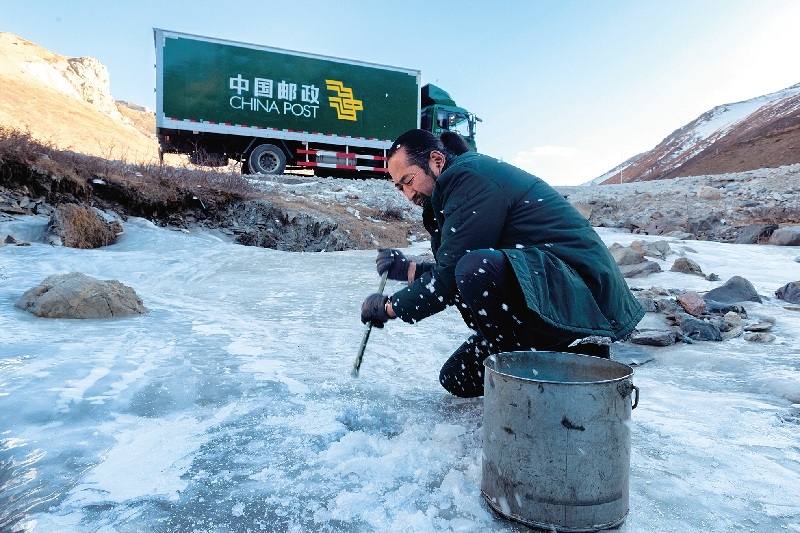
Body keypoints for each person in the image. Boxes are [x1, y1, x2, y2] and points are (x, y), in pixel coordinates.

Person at [361, 129, 644, 398]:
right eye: (400, 188)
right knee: (457, 377)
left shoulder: (468, 177)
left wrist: (389, 308)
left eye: (409, 181)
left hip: (583, 293)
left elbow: (454, 274)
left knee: (475, 269)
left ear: (436, 160)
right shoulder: (458, 183)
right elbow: (454, 263)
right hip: (548, 288)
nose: (409, 195)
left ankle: (544, 362)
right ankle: (552, 359)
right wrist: (409, 270)